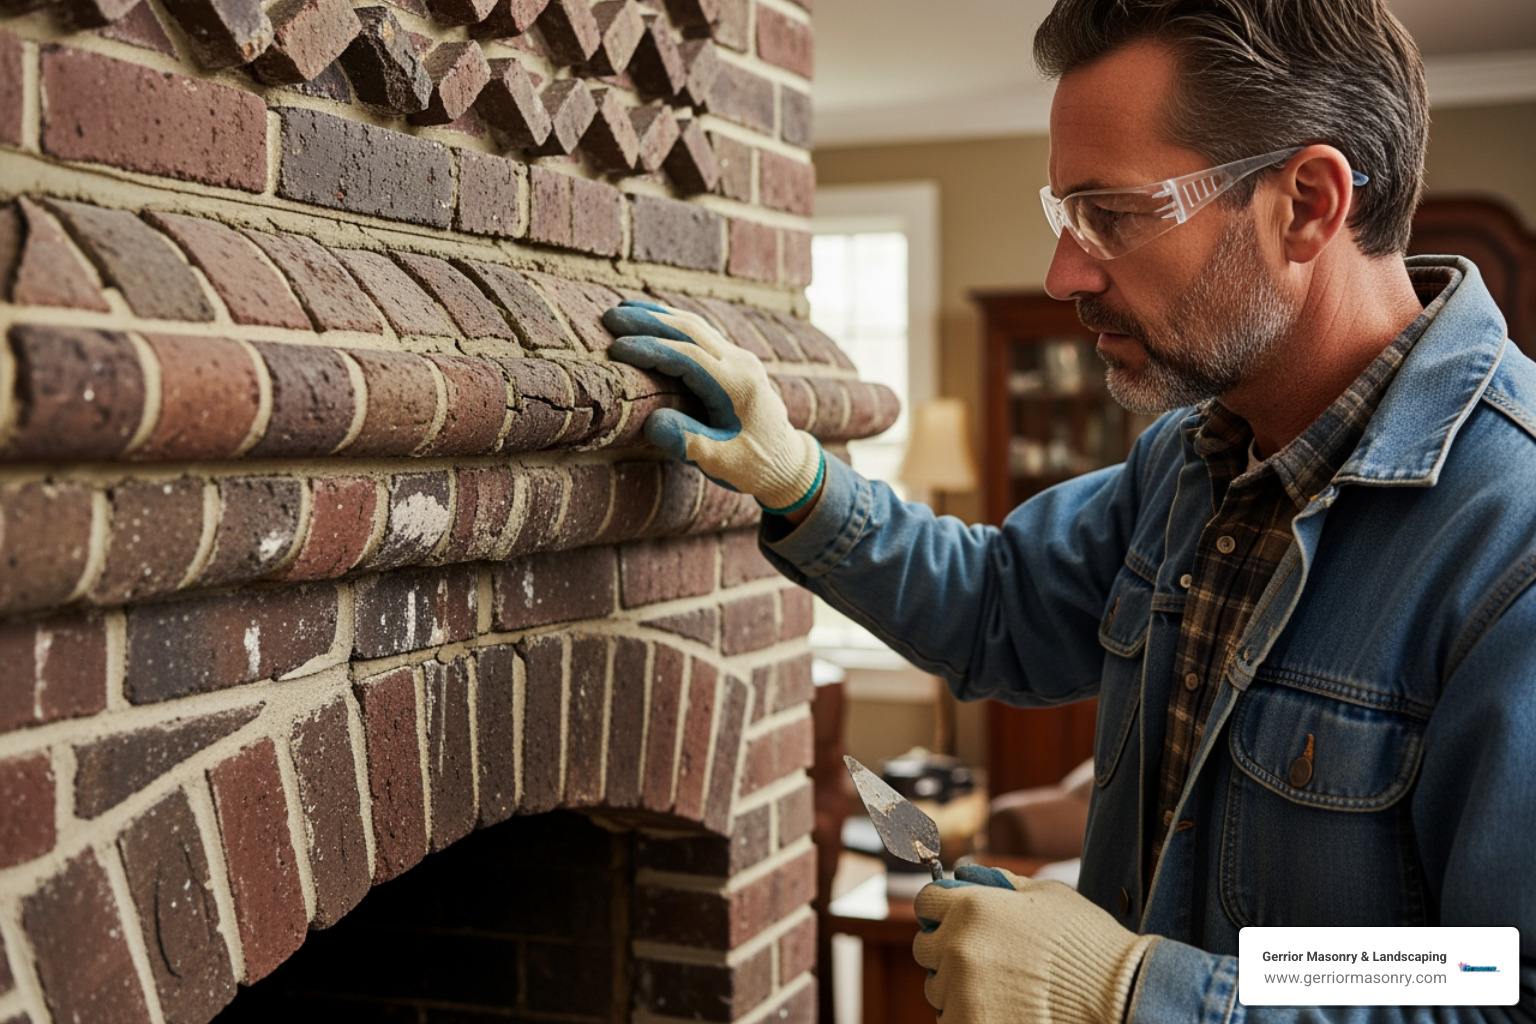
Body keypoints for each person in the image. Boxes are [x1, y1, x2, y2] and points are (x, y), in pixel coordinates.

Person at [602, 0, 1536, 1020]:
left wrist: (1138, 988)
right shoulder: (1192, 459)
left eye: (1115, 216)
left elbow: (1491, 978)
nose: (1063, 274)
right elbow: (999, 602)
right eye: (1065, 216)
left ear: (1307, 203)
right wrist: (801, 481)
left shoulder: (1512, 541)